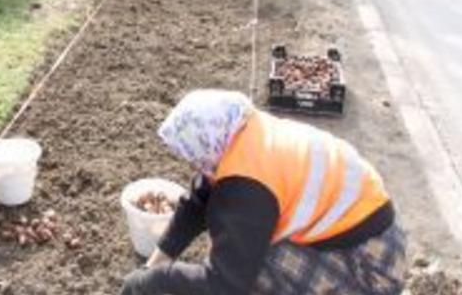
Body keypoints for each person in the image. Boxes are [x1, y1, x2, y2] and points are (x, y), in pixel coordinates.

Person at [119, 89, 407, 295]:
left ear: (208, 145)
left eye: (194, 157)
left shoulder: (247, 188)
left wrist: (153, 281)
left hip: (368, 266)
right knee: (246, 245)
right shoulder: (242, 131)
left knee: (255, 267)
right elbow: (199, 198)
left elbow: (225, 284)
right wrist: (154, 264)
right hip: (369, 229)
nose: (195, 164)